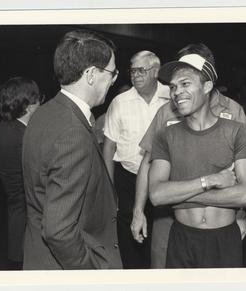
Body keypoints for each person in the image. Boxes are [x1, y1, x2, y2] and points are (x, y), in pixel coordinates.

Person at [132, 43, 246, 269]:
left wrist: (241, 214)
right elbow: (147, 164)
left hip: (220, 215)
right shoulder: (167, 112)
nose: (178, 89)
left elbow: (245, 176)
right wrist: (138, 211)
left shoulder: (233, 111)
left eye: (187, 76)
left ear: (207, 78)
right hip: (168, 217)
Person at [22, 29, 122, 270]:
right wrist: (89, 274)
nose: (113, 80)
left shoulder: (44, 112)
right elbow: (59, 231)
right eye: (111, 72)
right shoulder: (73, 132)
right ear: (90, 75)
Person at [103, 51, 170, 268]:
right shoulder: (120, 102)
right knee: (128, 234)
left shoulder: (172, 96)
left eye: (141, 70)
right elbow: (109, 145)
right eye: (132, 70)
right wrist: (109, 185)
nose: (135, 75)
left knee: (160, 234)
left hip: (164, 178)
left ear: (156, 72)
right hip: (127, 179)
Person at [0, 76, 41, 270]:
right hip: (25, 211)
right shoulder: (21, 136)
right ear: (29, 106)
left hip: (17, 206)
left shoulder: (7, 126)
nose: (41, 104)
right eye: (39, 100)